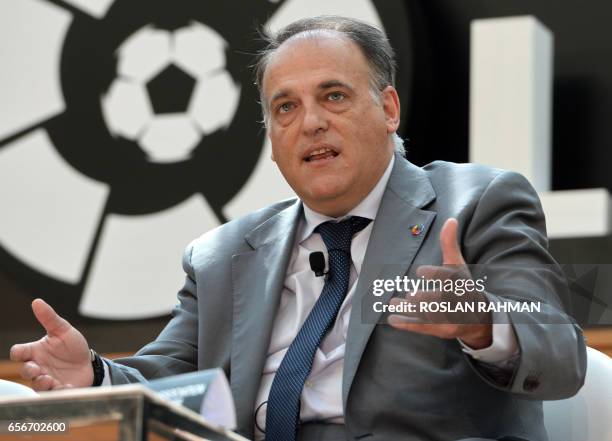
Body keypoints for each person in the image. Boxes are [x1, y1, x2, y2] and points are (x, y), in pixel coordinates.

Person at [10, 15, 586, 441]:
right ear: (271, 138)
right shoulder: (224, 254)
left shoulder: (476, 204)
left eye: (333, 96)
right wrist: (93, 373)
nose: (310, 122)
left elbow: (560, 350)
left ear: (388, 108)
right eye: (285, 108)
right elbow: (169, 380)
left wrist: (483, 324)